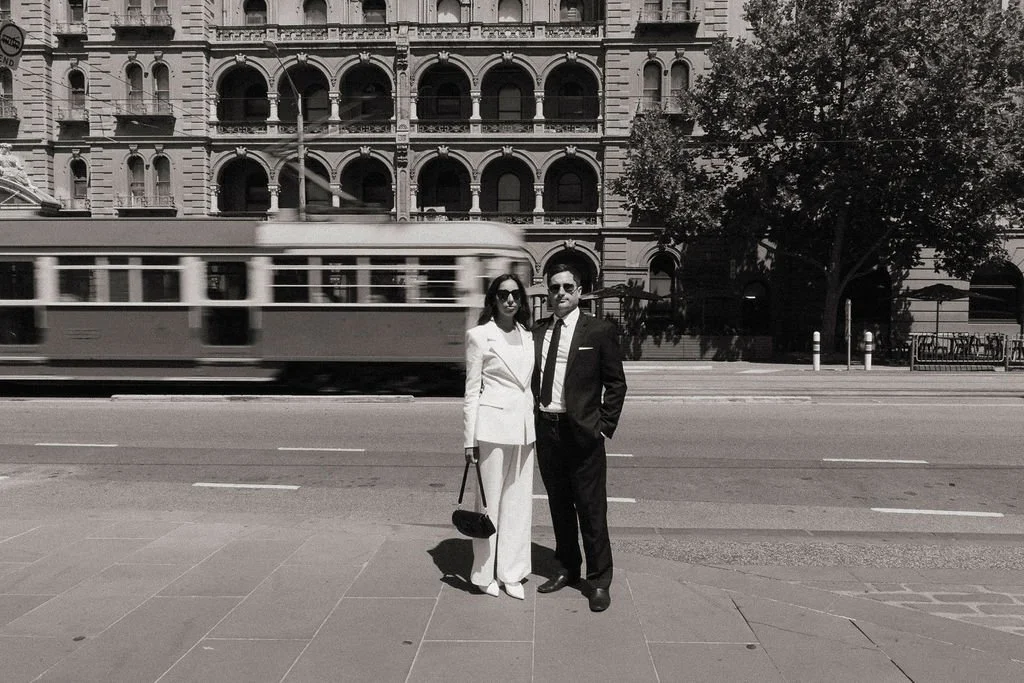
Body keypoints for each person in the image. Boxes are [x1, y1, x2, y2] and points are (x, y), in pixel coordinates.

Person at [532, 264, 627, 613]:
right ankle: (568, 568)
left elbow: (616, 383)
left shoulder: (598, 331)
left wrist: (603, 426)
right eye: (554, 287)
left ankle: (599, 580)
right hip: (547, 429)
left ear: (580, 290)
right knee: (559, 506)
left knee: (590, 509)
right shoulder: (539, 331)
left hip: (583, 433)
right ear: (547, 291)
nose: (561, 293)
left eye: (567, 287)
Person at [462, 273, 536, 600]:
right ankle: (483, 574)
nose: (510, 300)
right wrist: (469, 440)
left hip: (524, 429)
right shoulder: (479, 336)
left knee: (519, 505)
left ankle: (513, 573)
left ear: (521, 301)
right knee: (488, 506)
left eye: (516, 295)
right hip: (491, 429)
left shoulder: (529, 336)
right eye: (503, 294)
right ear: (493, 298)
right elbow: (471, 393)